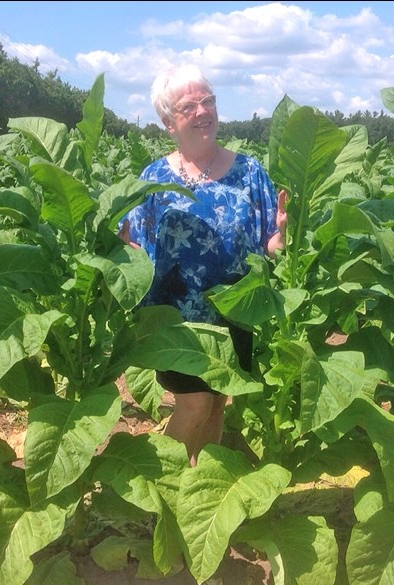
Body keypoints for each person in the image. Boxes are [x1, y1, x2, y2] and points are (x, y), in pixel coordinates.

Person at [119, 64, 287, 466]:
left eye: (207, 101)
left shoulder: (249, 171)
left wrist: (281, 236)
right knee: (194, 404)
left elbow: (269, 246)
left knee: (215, 405)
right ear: (167, 122)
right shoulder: (154, 176)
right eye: (188, 105)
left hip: (236, 312)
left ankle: (197, 482)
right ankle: (159, 480)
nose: (202, 111)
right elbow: (135, 247)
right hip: (178, 320)